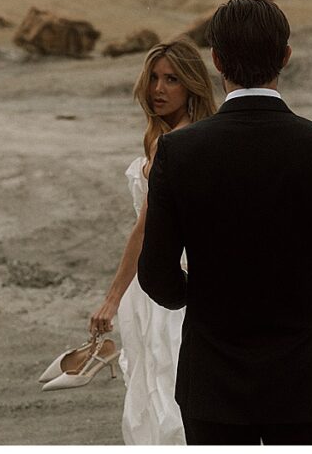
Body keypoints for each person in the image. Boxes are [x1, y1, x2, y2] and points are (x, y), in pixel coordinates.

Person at [136, 0, 312, 445]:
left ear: (215, 60)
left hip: (212, 383)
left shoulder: (180, 153)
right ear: (286, 55)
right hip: (303, 384)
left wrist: (209, 294)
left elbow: (156, 277)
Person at [89, 38, 217, 444]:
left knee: (165, 393)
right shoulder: (179, 136)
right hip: (168, 281)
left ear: (193, 85)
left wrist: (111, 298)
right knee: (163, 386)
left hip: (164, 283)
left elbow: (145, 229)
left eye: (172, 79)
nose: (158, 89)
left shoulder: (172, 143)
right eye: (154, 78)